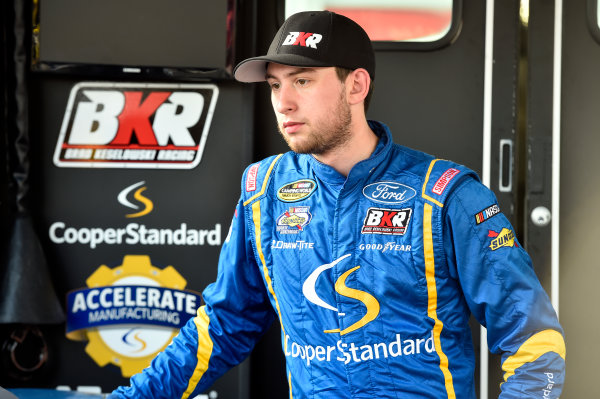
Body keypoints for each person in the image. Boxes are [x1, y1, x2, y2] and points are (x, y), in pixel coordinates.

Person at [110, 11, 565, 398]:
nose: (283, 103)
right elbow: (225, 323)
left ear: (357, 85)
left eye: (302, 81)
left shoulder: (444, 193)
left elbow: (532, 339)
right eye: (273, 86)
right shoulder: (262, 191)